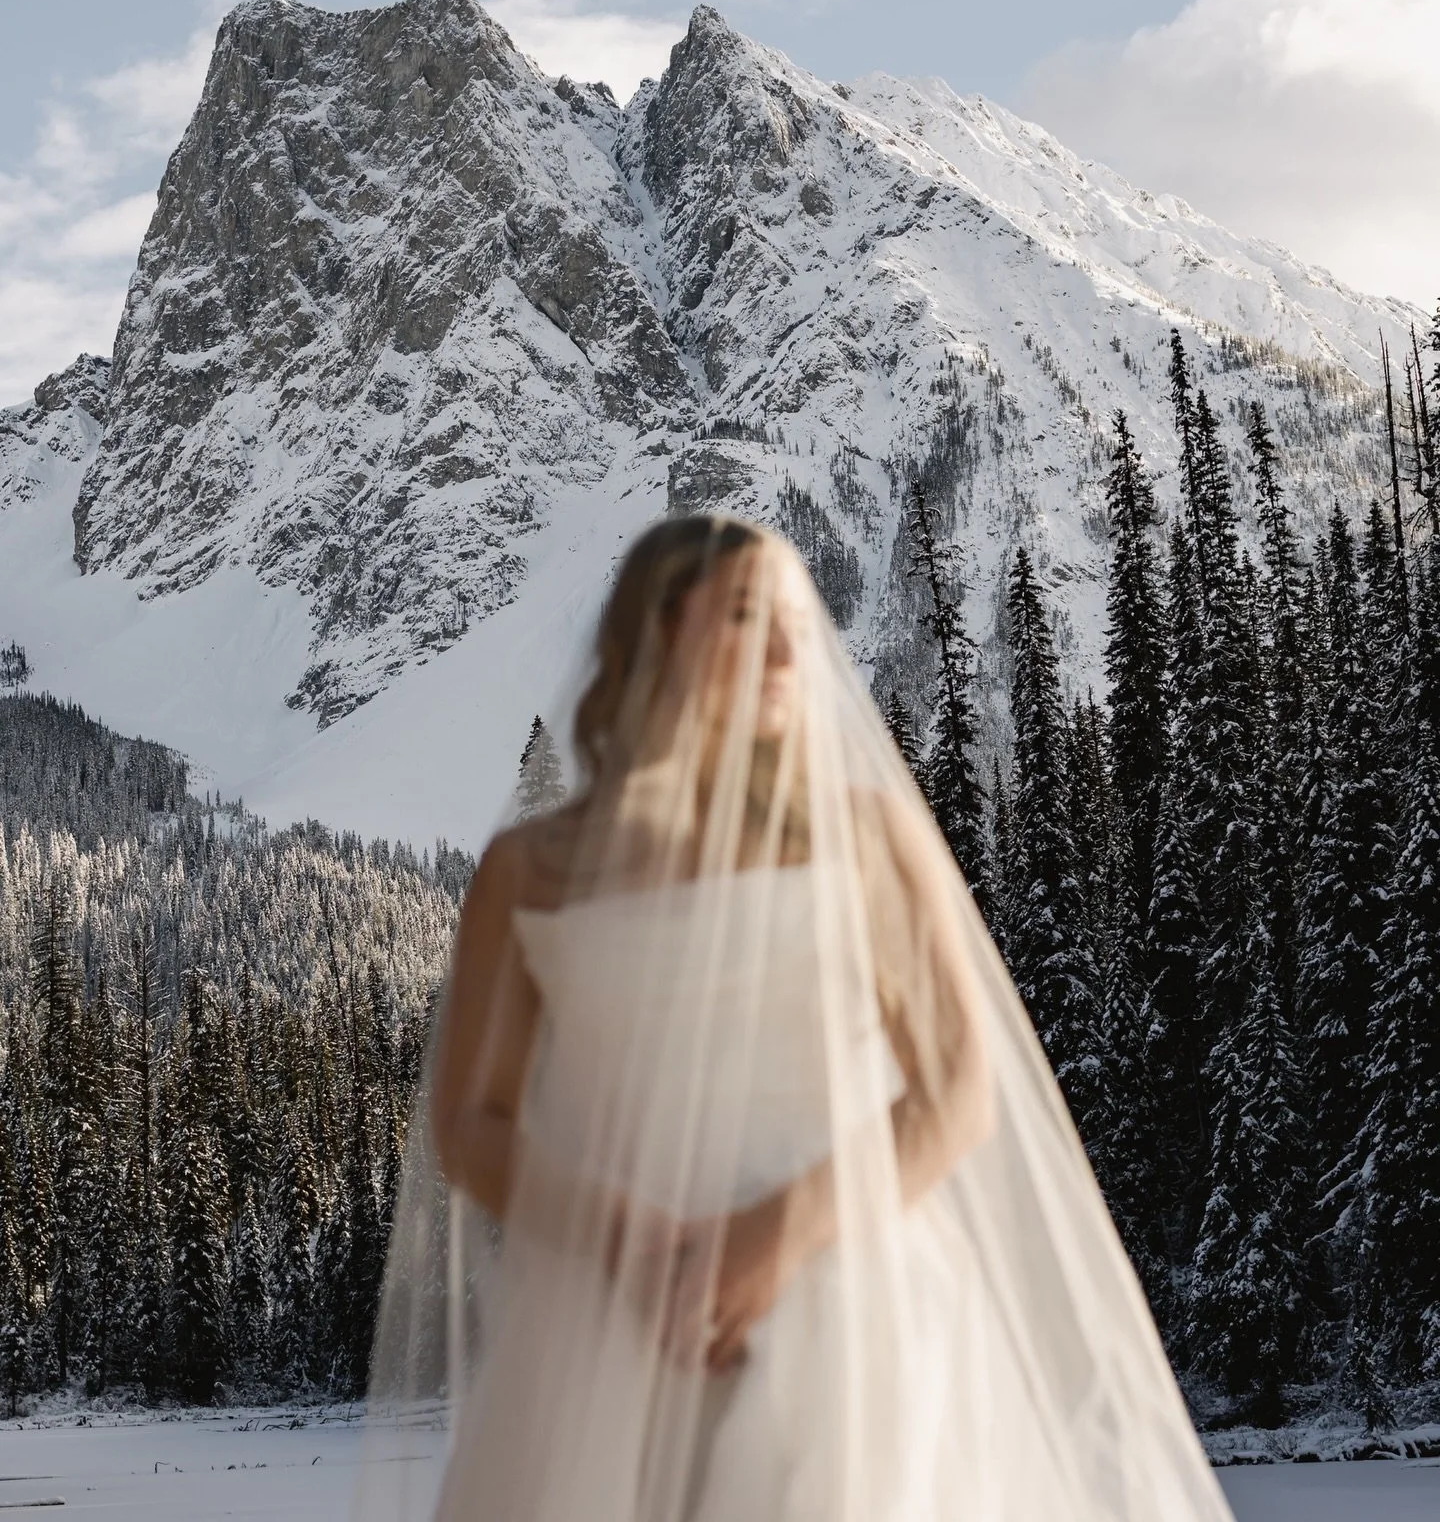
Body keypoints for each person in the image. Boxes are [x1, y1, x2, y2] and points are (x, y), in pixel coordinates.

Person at [361, 515, 1233, 1522]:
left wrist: (776, 1236)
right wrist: (626, 1242)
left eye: (794, 620)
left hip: (850, 1301)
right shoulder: (528, 872)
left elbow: (957, 1087)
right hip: (604, 1319)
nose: (788, 647)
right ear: (655, 634)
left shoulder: (867, 836)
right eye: (745, 616)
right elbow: (470, 1124)